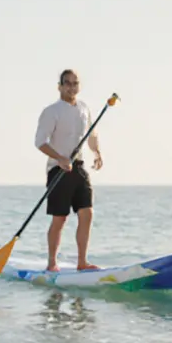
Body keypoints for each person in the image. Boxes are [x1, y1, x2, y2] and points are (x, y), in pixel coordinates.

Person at [34, 69, 102, 272]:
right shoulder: (52, 111)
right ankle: (52, 263)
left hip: (78, 167)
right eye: (67, 83)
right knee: (60, 218)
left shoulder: (84, 108)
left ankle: (82, 262)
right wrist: (60, 158)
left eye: (75, 83)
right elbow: (40, 142)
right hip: (58, 169)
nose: (72, 87)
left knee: (87, 213)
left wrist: (96, 151)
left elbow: (91, 134)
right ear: (60, 86)